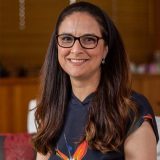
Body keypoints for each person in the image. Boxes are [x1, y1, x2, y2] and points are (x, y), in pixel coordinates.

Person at [33, 1, 159, 160]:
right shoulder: (52, 108)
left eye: (89, 39)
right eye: (66, 38)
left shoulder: (133, 110)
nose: (76, 49)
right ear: (56, 46)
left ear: (105, 49)